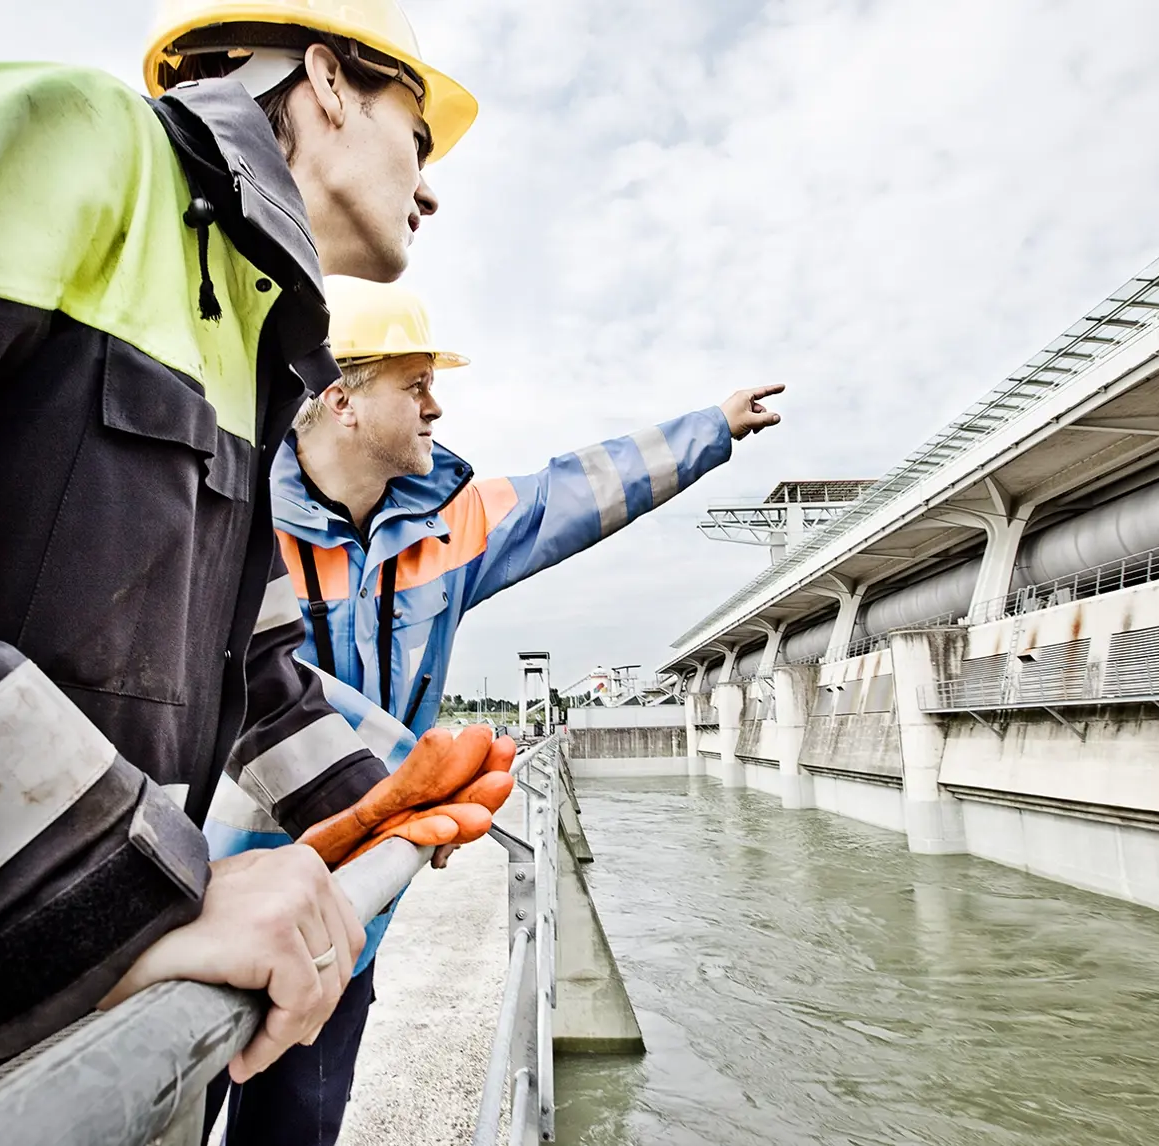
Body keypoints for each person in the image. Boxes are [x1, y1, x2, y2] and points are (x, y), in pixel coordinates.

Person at [0, 2, 479, 1142]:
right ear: (325, 80)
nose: (429, 184)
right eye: (418, 135)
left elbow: (253, 666)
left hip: (46, 1052)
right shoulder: (64, 139)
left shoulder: (244, 340)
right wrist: (111, 910)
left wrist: (381, 814)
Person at [201, 276, 783, 1144]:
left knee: (297, 1127)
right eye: (415, 383)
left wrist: (710, 429)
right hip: (218, 892)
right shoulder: (233, 515)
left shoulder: (453, 520)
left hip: (354, 906)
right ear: (341, 400)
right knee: (166, 1100)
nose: (437, 405)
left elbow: (570, 493)